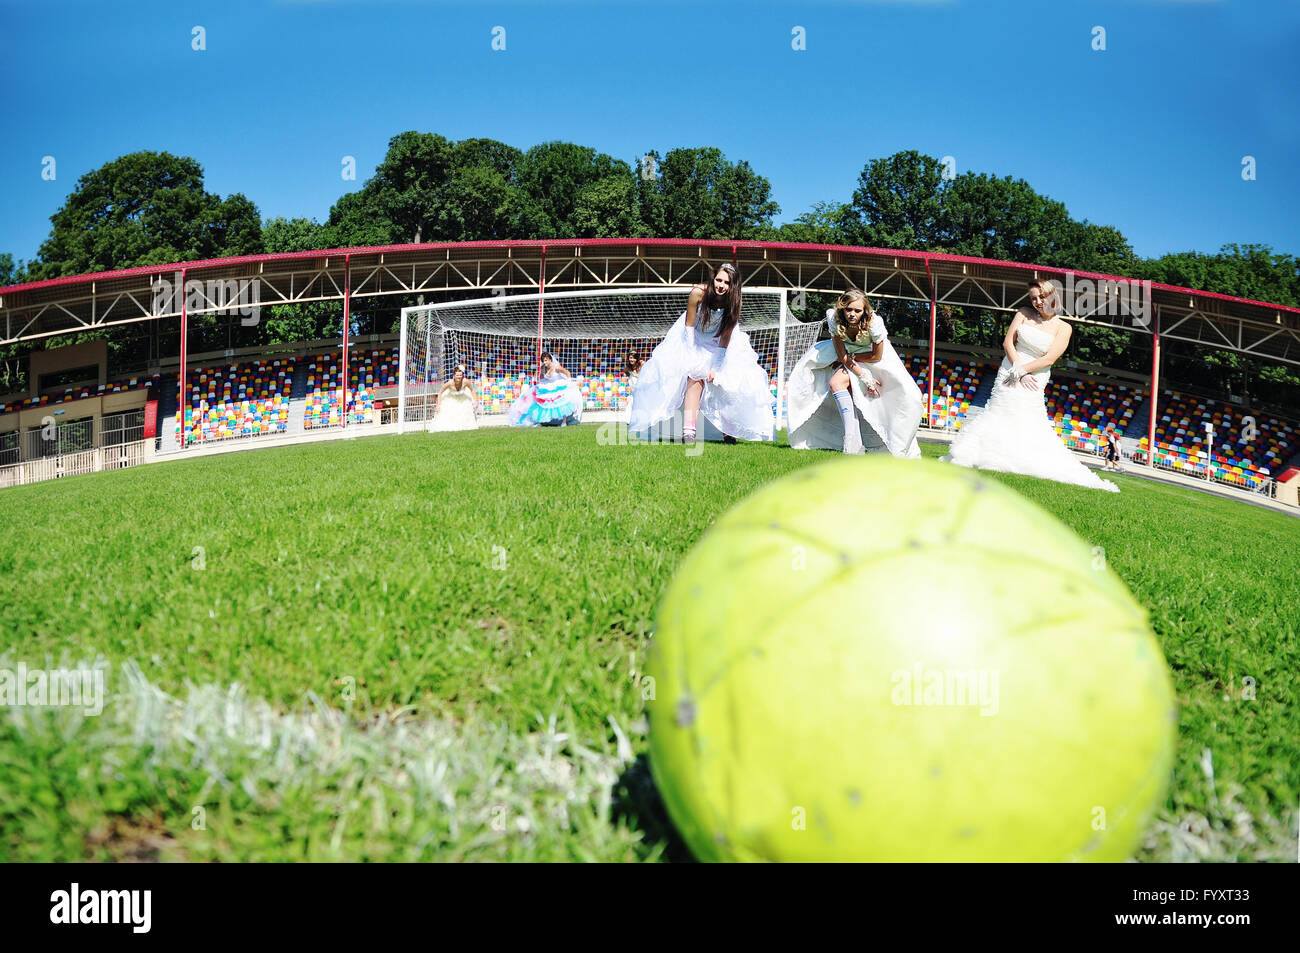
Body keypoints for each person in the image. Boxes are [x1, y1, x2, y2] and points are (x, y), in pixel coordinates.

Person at [942, 279, 1119, 492]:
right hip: (1010, 367)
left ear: (1052, 296)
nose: (1037, 301)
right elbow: (1008, 342)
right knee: (999, 410)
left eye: (1041, 297)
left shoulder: (1064, 327)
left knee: (1024, 415)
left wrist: (1025, 372)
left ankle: (1022, 458)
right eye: (1033, 298)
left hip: (1036, 374)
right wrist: (1017, 368)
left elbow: (1050, 359)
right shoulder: (1023, 313)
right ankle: (982, 454)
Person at [628, 263, 774, 444]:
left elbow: (725, 339)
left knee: (726, 382)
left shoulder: (735, 303)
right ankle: (688, 432)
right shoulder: (698, 293)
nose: (721, 285)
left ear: (733, 285)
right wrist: (691, 357)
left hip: (718, 344)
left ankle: (729, 432)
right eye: (718, 280)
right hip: (692, 340)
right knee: (694, 378)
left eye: (726, 282)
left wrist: (716, 367)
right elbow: (688, 328)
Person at [787, 289, 922, 457]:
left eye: (857, 310)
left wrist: (865, 372)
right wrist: (863, 376)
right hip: (844, 355)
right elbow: (842, 355)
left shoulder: (874, 323)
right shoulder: (833, 318)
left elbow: (876, 355)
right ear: (842, 308)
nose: (852, 314)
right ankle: (852, 442)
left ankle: (876, 443)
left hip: (872, 358)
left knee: (907, 396)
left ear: (864, 311)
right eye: (848, 309)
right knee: (834, 382)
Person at [508, 352, 583, 427]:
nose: (545, 362)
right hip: (547, 386)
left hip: (558, 386)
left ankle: (564, 421)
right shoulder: (543, 368)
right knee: (542, 403)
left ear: (550, 360)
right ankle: (543, 421)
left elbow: (567, 372)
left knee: (561, 404)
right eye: (543, 361)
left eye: (546, 360)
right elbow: (541, 379)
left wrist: (568, 382)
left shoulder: (556, 367)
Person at [429, 363, 478, 432]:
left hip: (462, 399)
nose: (459, 377)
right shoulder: (450, 383)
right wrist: (438, 405)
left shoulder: (465, 381)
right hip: (451, 400)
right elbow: (440, 393)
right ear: (454, 376)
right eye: (457, 375)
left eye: (460, 375)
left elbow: (472, 390)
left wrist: (476, 402)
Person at [623, 352, 644, 423]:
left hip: (641, 387)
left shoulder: (641, 364)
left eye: (634, 358)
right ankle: (628, 420)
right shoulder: (628, 367)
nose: (632, 359)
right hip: (633, 389)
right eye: (630, 358)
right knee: (630, 403)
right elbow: (627, 373)